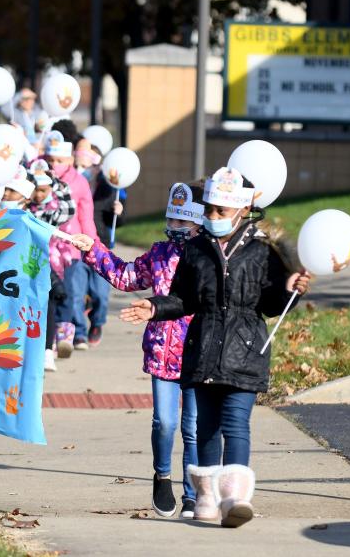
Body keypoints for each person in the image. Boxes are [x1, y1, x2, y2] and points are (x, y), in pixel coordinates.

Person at [118, 167, 311, 528]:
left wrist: (291, 291)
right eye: (209, 210)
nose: (211, 217)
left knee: (235, 424)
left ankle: (235, 499)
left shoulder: (262, 253)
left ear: (240, 210)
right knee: (205, 428)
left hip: (245, 352)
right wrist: (155, 307)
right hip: (202, 348)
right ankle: (206, 498)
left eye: (219, 211)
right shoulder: (195, 250)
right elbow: (184, 299)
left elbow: (271, 305)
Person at [73, 182, 205, 519]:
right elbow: (125, 275)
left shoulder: (209, 256)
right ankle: (162, 476)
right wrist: (94, 250)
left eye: (183, 222)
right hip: (163, 351)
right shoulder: (159, 253)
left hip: (199, 350)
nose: (174, 228)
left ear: (200, 223)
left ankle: (192, 493)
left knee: (192, 426)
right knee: (164, 421)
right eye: (171, 220)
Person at [43, 130, 97, 356]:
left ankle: (64, 336)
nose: (55, 165)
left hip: (71, 247)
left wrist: (91, 243)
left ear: (71, 160)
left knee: (69, 293)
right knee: (48, 293)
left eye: (60, 160)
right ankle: (48, 339)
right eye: (50, 160)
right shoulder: (40, 178)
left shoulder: (79, 182)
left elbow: (86, 214)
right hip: (46, 247)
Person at [73, 138, 123, 347]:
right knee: (75, 292)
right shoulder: (72, 185)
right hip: (76, 246)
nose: (83, 169)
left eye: (88, 165)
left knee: (101, 294)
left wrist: (119, 213)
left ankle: (97, 322)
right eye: (80, 164)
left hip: (101, 246)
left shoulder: (107, 189)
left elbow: (116, 222)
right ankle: (79, 332)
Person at [26, 160, 76, 371]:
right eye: (35, 190)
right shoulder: (25, 209)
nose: (38, 195)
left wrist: (58, 185)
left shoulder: (50, 211)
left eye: (43, 190)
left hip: (49, 267)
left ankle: (48, 351)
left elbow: (69, 211)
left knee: (49, 307)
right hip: (26, 267)